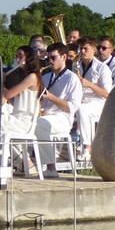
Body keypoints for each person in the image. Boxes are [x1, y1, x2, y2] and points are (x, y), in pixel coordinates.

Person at [0, 46, 41, 170]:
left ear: (29, 58)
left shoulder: (32, 77)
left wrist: (0, 82)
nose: (17, 59)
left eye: (20, 56)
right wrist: (1, 83)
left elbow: (8, 94)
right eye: (17, 56)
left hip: (23, 122)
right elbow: (10, 98)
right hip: (15, 118)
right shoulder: (25, 76)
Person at [37, 43, 83, 176]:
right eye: (48, 59)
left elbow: (72, 107)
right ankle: (26, 163)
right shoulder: (45, 77)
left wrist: (51, 97)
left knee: (39, 124)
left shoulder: (72, 78)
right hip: (47, 116)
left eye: (53, 58)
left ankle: (51, 167)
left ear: (64, 57)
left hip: (62, 118)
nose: (50, 61)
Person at [76, 37, 113, 154]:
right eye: (81, 49)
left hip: (99, 103)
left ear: (93, 50)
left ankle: (87, 146)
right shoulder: (76, 65)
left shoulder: (103, 68)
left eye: (85, 49)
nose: (82, 52)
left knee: (82, 110)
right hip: (81, 100)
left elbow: (107, 94)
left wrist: (89, 84)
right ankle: (57, 148)